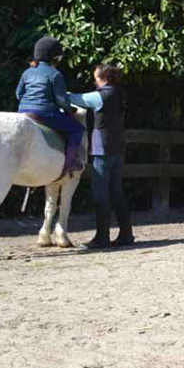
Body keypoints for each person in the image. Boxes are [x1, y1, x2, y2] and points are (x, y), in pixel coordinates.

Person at [68, 63, 133, 249]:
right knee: (116, 192)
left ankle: (102, 237)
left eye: (96, 77)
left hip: (102, 149)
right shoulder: (120, 94)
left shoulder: (100, 96)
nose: (94, 80)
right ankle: (126, 234)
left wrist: (58, 93)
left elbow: (77, 99)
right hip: (118, 148)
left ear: (102, 78)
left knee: (100, 193)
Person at [15, 37, 84, 176]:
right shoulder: (55, 74)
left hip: (23, 112)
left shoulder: (27, 72)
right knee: (77, 129)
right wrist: (70, 110)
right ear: (56, 57)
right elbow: (62, 100)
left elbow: (18, 94)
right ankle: (69, 164)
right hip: (45, 113)